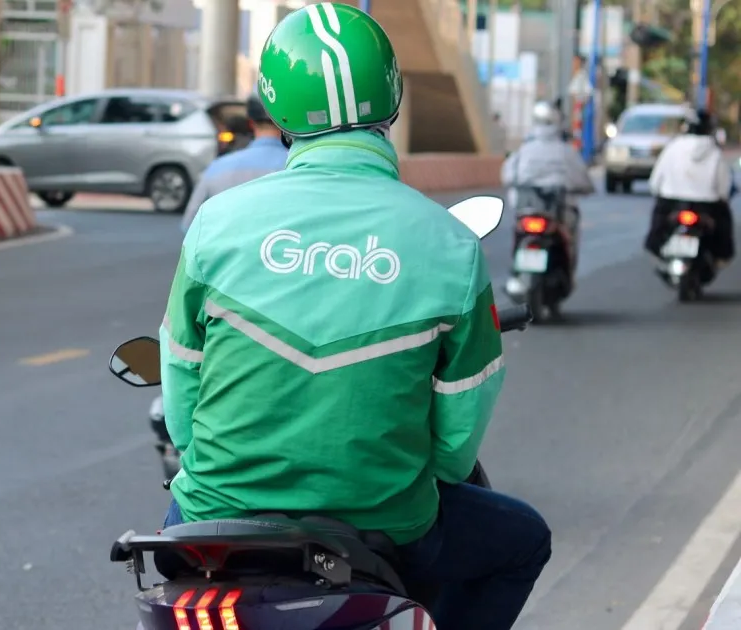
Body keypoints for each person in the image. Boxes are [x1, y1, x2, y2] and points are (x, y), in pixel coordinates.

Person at [157, 4, 551, 630]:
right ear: (392, 97)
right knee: (523, 540)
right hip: (386, 525)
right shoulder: (449, 243)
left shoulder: (216, 224)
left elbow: (181, 400)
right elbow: (456, 448)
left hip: (216, 516)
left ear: (275, 107)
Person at [502, 100, 595, 274]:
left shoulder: (523, 150)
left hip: (526, 209)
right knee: (570, 230)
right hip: (556, 213)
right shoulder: (566, 151)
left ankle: (516, 270)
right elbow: (583, 180)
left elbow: (507, 176)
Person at [180, 92, 289, 231]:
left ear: (250, 123)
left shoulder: (217, 167)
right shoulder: (297, 167)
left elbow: (189, 225)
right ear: (286, 122)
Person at [645, 107, 734, 267]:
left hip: (671, 202)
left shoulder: (673, 148)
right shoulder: (715, 153)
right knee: (723, 228)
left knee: (656, 233)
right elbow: (723, 189)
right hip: (707, 206)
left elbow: (655, 182)